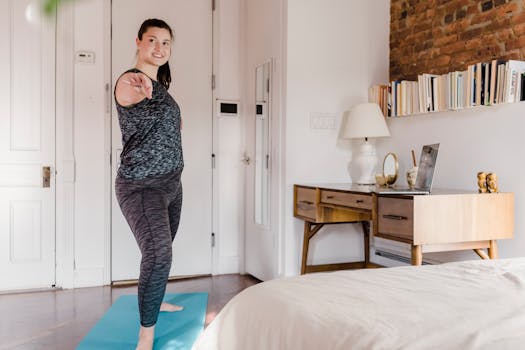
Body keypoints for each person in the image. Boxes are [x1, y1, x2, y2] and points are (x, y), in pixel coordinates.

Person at [114, 18, 184, 350]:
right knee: (159, 255)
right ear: (139, 42)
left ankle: (156, 302)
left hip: (172, 185)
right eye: (153, 40)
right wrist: (141, 92)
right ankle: (146, 334)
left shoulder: (163, 89)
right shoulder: (131, 81)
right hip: (141, 186)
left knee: (162, 249)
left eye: (166, 42)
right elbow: (127, 94)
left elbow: (168, 124)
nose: (159, 47)